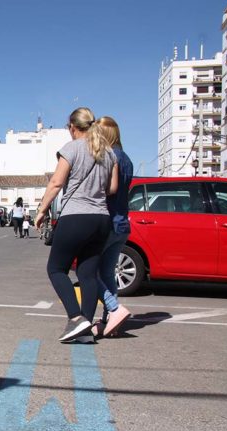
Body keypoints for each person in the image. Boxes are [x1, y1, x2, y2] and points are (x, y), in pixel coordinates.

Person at [34, 107, 119, 343]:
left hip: (76, 217)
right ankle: (86, 330)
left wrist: (41, 210)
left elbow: (56, 183)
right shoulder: (108, 152)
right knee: (87, 274)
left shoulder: (72, 148)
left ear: (73, 127)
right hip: (102, 219)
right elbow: (111, 188)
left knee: (56, 269)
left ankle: (76, 318)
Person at [93, 117, 133, 337]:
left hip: (107, 222)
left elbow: (106, 190)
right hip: (122, 224)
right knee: (108, 273)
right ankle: (111, 319)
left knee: (88, 271)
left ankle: (114, 308)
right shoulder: (126, 158)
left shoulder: (110, 158)